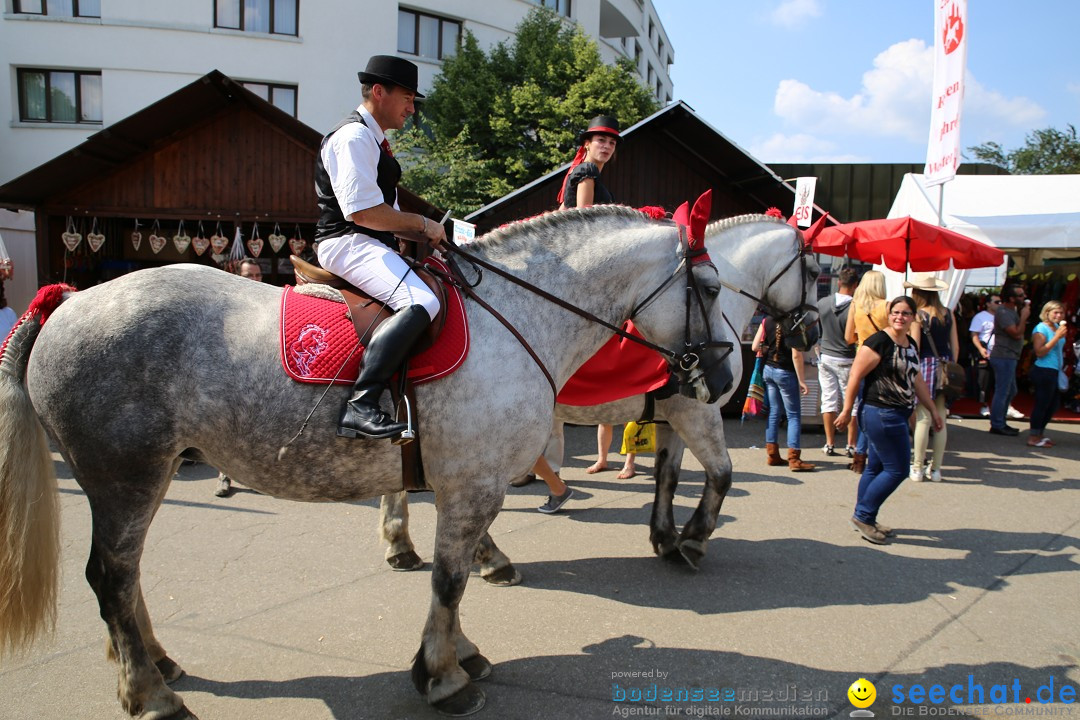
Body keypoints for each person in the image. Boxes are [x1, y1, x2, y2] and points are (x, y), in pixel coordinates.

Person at [315, 55, 447, 441]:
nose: (411, 108)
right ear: (378, 92)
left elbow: (387, 206)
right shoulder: (354, 136)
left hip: (366, 240)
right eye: (407, 98)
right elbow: (363, 212)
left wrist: (424, 234)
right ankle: (362, 404)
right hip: (348, 241)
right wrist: (423, 225)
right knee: (423, 302)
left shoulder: (373, 138)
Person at [561, 115, 638, 482]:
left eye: (612, 142)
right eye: (600, 140)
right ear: (588, 144)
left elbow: (563, 216)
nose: (606, 146)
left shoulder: (581, 169)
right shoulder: (588, 171)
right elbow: (583, 225)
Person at [836, 296, 943, 545]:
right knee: (897, 469)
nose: (900, 317)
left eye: (905, 313)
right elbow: (855, 375)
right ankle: (864, 516)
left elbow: (916, 380)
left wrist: (932, 410)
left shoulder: (910, 344)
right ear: (889, 314)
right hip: (880, 413)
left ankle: (865, 516)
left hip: (898, 412)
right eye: (895, 312)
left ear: (913, 317)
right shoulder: (879, 342)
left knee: (875, 466)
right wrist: (846, 409)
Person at [906, 274, 959, 482]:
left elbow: (915, 347)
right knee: (941, 419)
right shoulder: (948, 314)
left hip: (925, 367)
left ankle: (918, 467)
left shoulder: (919, 316)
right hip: (944, 367)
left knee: (923, 418)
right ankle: (936, 469)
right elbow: (955, 346)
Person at [752, 313, 815, 471]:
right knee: (793, 415)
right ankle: (794, 459)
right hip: (786, 372)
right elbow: (796, 355)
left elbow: (754, 347)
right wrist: (801, 380)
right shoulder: (792, 323)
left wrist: (768, 347)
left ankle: (772, 455)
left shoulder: (767, 320)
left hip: (769, 369)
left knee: (774, 412)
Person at [843, 270, 888, 474]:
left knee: (862, 407)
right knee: (881, 410)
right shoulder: (887, 306)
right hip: (883, 362)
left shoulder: (855, 305)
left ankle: (859, 456)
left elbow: (848, 338)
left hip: (861, 358)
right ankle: (871, 454)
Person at [816, 267, 859, 458]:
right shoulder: (856, 307)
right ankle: (851, 444)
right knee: (852, 403)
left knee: (828, 400)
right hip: (847, 357)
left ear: (839, 282)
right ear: (855, 285)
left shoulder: (822, 303)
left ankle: (829, 442)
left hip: (826, 356)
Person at [988, 284, 1031, 436]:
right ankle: (997, 424)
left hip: (1009, 356)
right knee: (1003, 391)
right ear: (1011, 298)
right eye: (1020, 295)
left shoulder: (1011, 311)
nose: (1024, 297)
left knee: (1011, 390)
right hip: (1004, 356)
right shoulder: (1004, 312)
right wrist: (1024, 317)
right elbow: (1016, 334)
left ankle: (1000, 421)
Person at [1027, 301, 1068, 448]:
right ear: (1047, 313)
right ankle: (1033, 436)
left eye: (1061, 312)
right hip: (1043, 370)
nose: (1058, 315)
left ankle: (1040, 433)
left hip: (1055, 370)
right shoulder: (1041, 328)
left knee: (1053, 404)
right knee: (1042, 403)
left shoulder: (1057, 327)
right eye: (1055, 312)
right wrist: (1056, 337)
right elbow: (1040, 352)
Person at [969, 292, 1000, 416]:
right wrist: (981, 349)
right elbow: (974, 334)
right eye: (996, 302)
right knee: (984, 381)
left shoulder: (1002, 316)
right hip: (986, 352)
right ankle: (984, 405)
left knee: (998, 381)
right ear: (988, 304)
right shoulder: (980, 317)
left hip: (1000, 352)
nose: (999, 304)